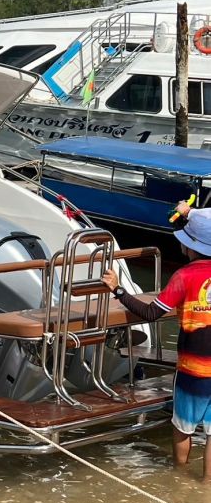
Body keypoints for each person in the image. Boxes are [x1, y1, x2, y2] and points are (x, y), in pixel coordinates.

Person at [102, 201, 211, 480]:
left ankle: (178, 476)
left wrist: (119, 290)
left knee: (183, 426)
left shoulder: (184, 276)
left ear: (190, 247)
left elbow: (151, 312)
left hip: (192, 371)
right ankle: (206, 486)